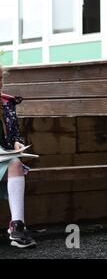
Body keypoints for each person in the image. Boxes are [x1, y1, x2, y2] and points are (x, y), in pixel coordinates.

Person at [0, 67, 36, 248]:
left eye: (0, 79)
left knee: (15, 163)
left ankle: (17, 227)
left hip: (3, 156)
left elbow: (14, 135)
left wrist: (17, 144)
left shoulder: (6, 104)